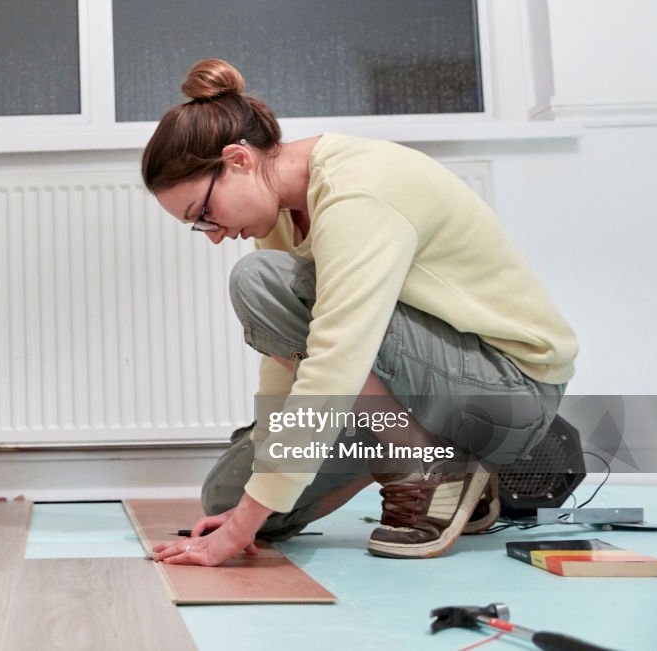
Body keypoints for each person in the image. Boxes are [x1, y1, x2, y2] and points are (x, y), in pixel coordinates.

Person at [142, 59, 578, 566]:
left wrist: (240, 530)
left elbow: (335, 358)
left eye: (204, 213)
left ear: (237, 160)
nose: (213, 234)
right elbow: (286, 356)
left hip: (508, 390)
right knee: (231, 495)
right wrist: (248, 506)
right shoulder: (281, 211)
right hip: (416, 389)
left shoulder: (359, 189)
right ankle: (440, 462)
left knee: (257, 280)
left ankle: (427, 464)